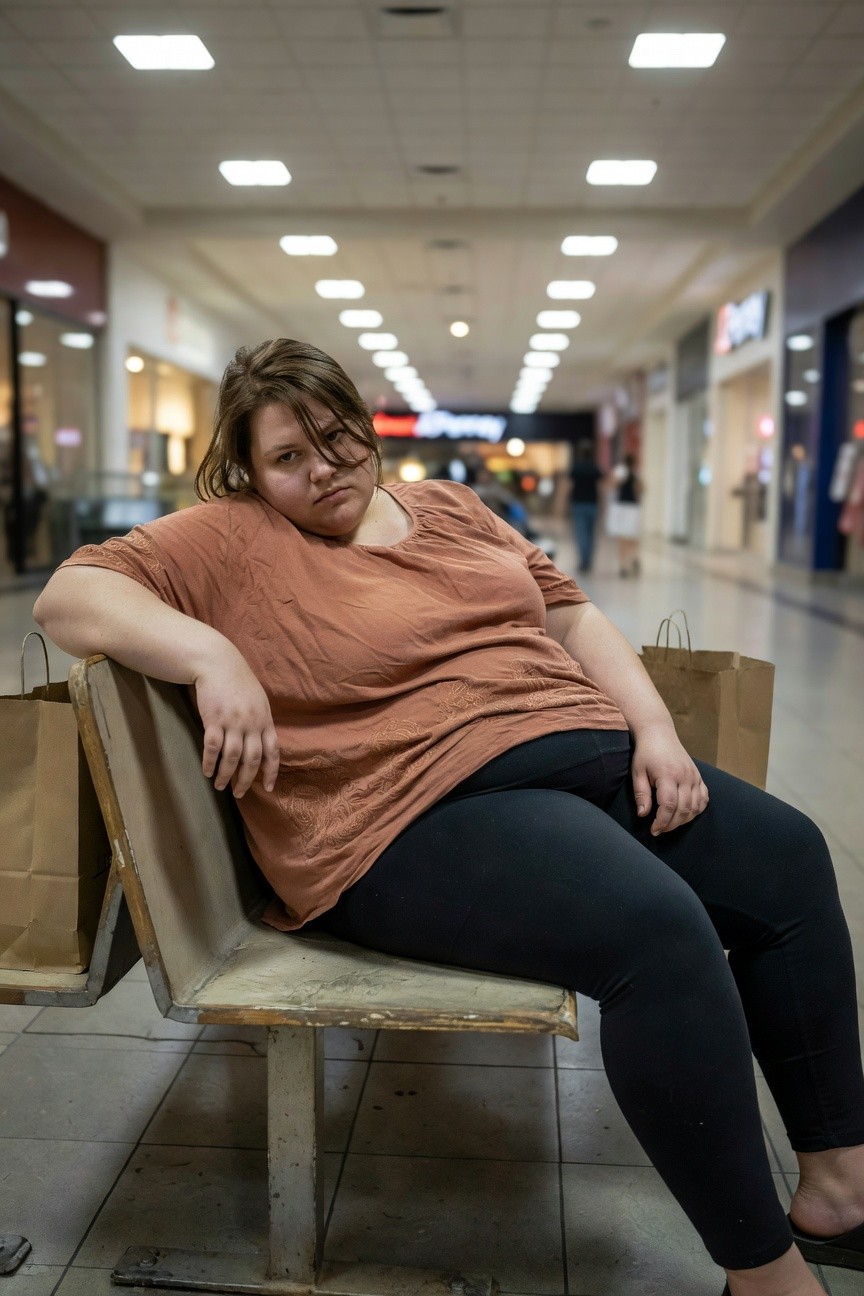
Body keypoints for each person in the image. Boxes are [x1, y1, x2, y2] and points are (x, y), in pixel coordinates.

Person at [33, 339, 864, 1296]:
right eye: (287, 459)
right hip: (401, 813)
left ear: (365, 427)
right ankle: (763, 1275)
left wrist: (654, 728)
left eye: (337, 440)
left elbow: (569, 615)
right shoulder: (231, 535)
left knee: (790, 858)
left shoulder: (450, 506)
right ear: (249, 470)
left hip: (573, 751)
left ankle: (837, 1190)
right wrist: (210, 655)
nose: (323, 471)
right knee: (659, 934)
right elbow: (70, 594)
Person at [568, 438, 604, 573]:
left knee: (581, 533)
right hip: (592, 504)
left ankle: (583, 561)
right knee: (591, 534)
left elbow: (569, 487)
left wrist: (561, 504)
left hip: (578, 504)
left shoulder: (576, 468)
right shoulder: (595, 469)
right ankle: (588, 560)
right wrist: (603, 505)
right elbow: (600, 488)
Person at [607, 452, 643, 577]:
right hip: (628, 508)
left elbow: (612, 486)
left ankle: (626, 563)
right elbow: (641, 490)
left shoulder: (632, 473)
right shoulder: (625, 473)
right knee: (628, 538)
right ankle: (627, 562)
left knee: (626, 539)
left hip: (625, 508)